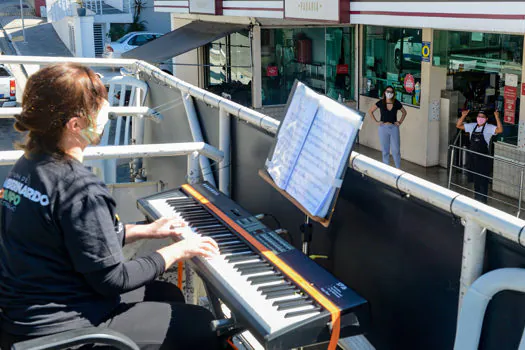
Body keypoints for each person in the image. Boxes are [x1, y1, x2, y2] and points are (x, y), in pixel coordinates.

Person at [0, 63, 221, 349]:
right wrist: (177, 250)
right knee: (201, 325)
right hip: (63, 327)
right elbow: (114, 279)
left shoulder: (27, 166)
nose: (106, 112)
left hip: (25, 316)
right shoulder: (79, 187)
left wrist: (145, 231)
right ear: (75, 124)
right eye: (99, 108)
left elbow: (73, 238)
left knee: (165, 291)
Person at [456, 108, 503, 204]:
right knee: (476, 181)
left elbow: (500, 130)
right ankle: (477, 200)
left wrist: (497, 117)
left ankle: (483, 202)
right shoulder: (472, 126)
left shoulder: (489, 127)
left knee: (483, 182)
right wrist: (463, 115)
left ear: (486, 119)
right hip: (473, 159)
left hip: (483, 159)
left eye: (482, 117)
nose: (480, 118)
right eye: (478, 116)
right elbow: (458, 125)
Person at [367, 86, 407, 169]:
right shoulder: (381, 102)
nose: (389, 93)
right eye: (388, 91)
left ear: (393, 94)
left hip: (393, 128)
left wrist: (399, 122)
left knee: (396, 150)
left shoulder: (396, 103)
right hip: (383, 128)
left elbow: (404, 112)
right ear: (385, 92)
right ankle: (386, 169)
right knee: (385, 150)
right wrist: (376, 122)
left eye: (391, 92)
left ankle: (398, 169)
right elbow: (370, 111)